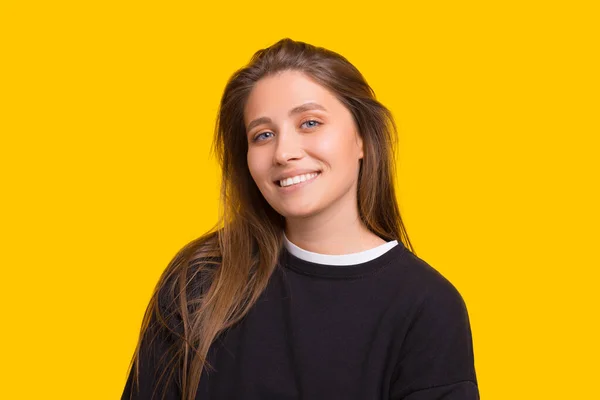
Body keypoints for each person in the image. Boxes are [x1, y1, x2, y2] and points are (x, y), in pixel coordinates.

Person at [121, 38, 479, 400]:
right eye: (263, 135)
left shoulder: (428, 307)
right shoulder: (198, 283)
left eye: (309, 123)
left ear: (362, 139)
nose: (284, 152)